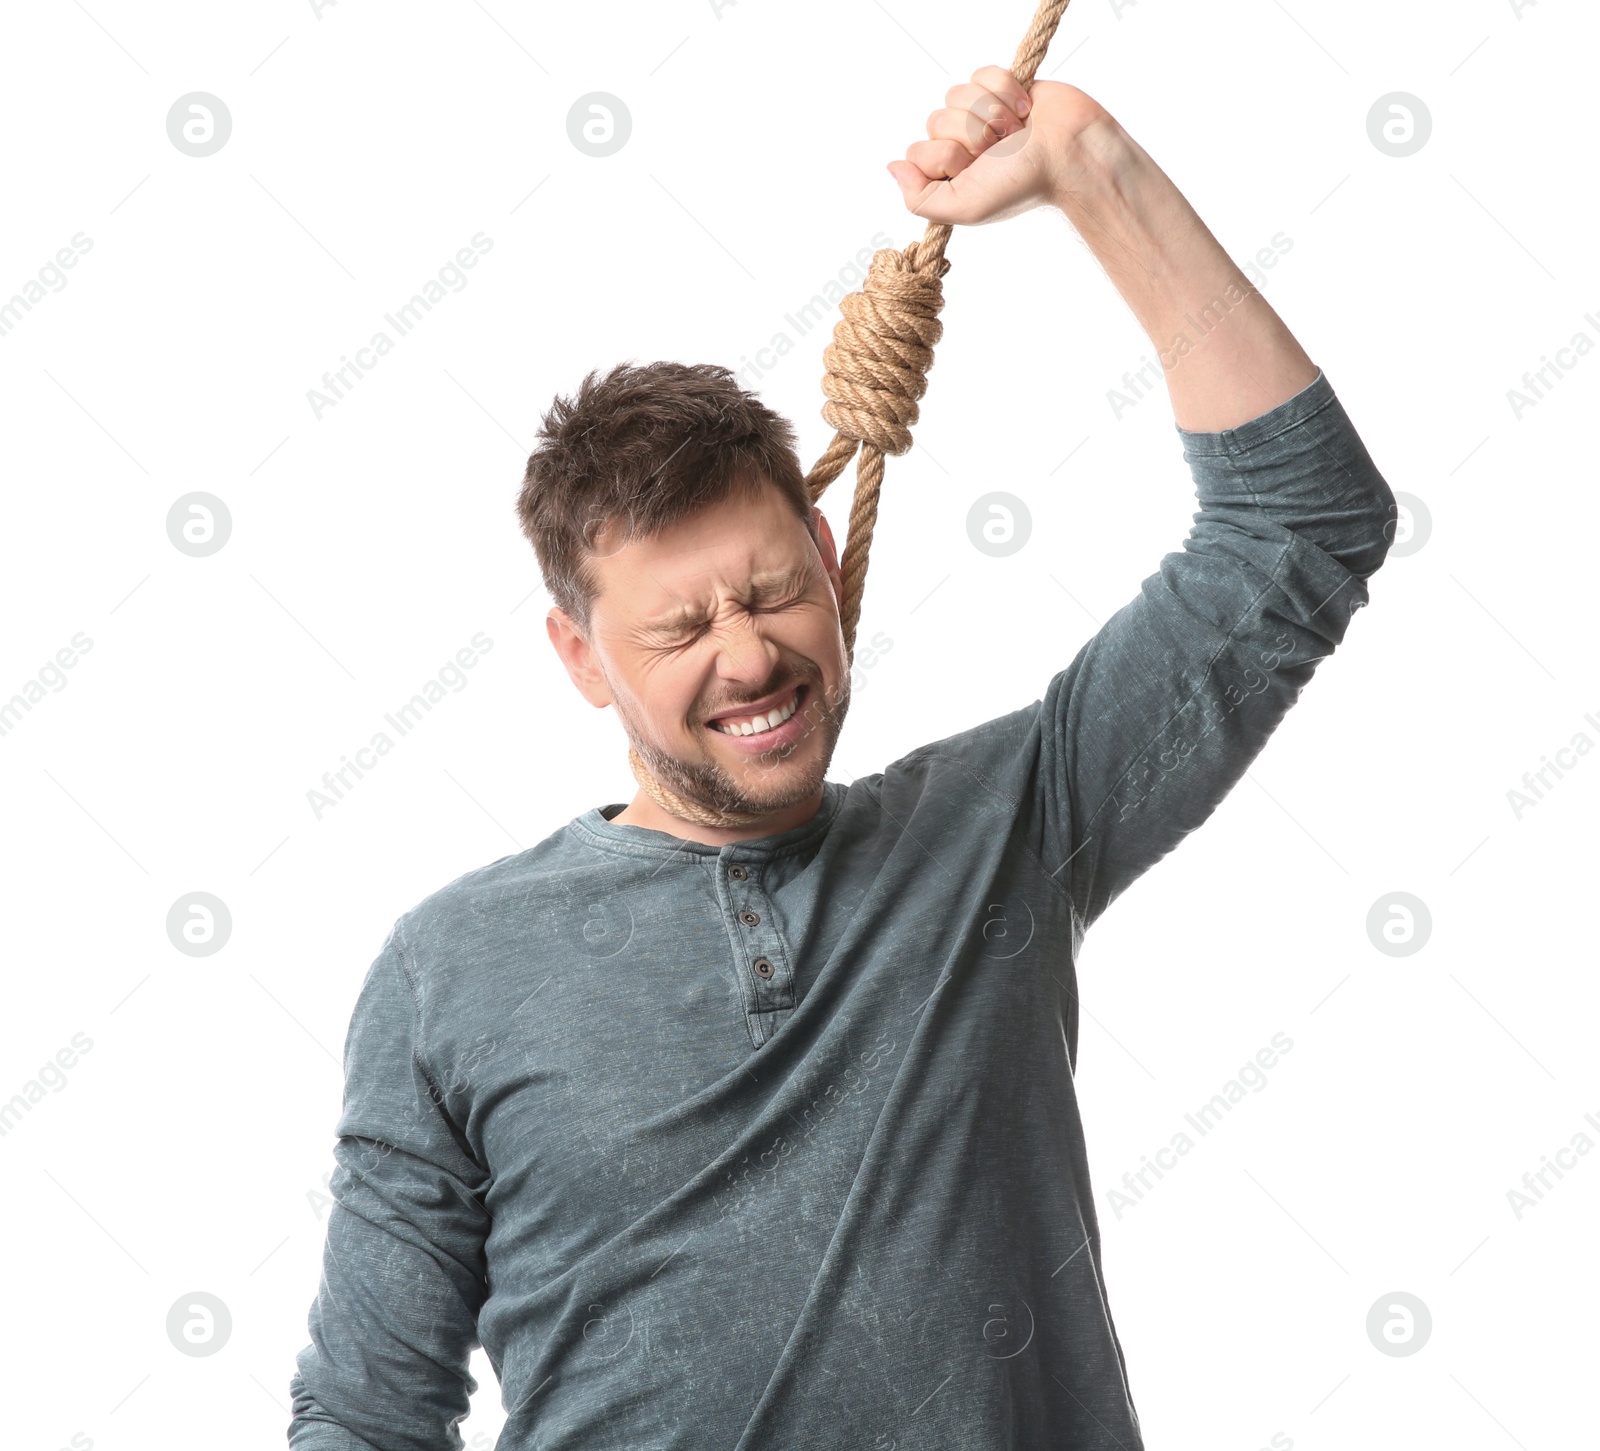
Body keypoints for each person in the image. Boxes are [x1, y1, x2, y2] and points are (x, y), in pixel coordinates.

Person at [288, 65, 1394, 1450]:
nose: (746, 657)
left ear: (829, 554)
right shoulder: (445, 971)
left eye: (765, 593)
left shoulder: (1011, 822)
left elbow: (1301, 530)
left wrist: (1088, 164)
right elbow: (366, 1416)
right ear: (581, 660)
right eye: (682, 625)